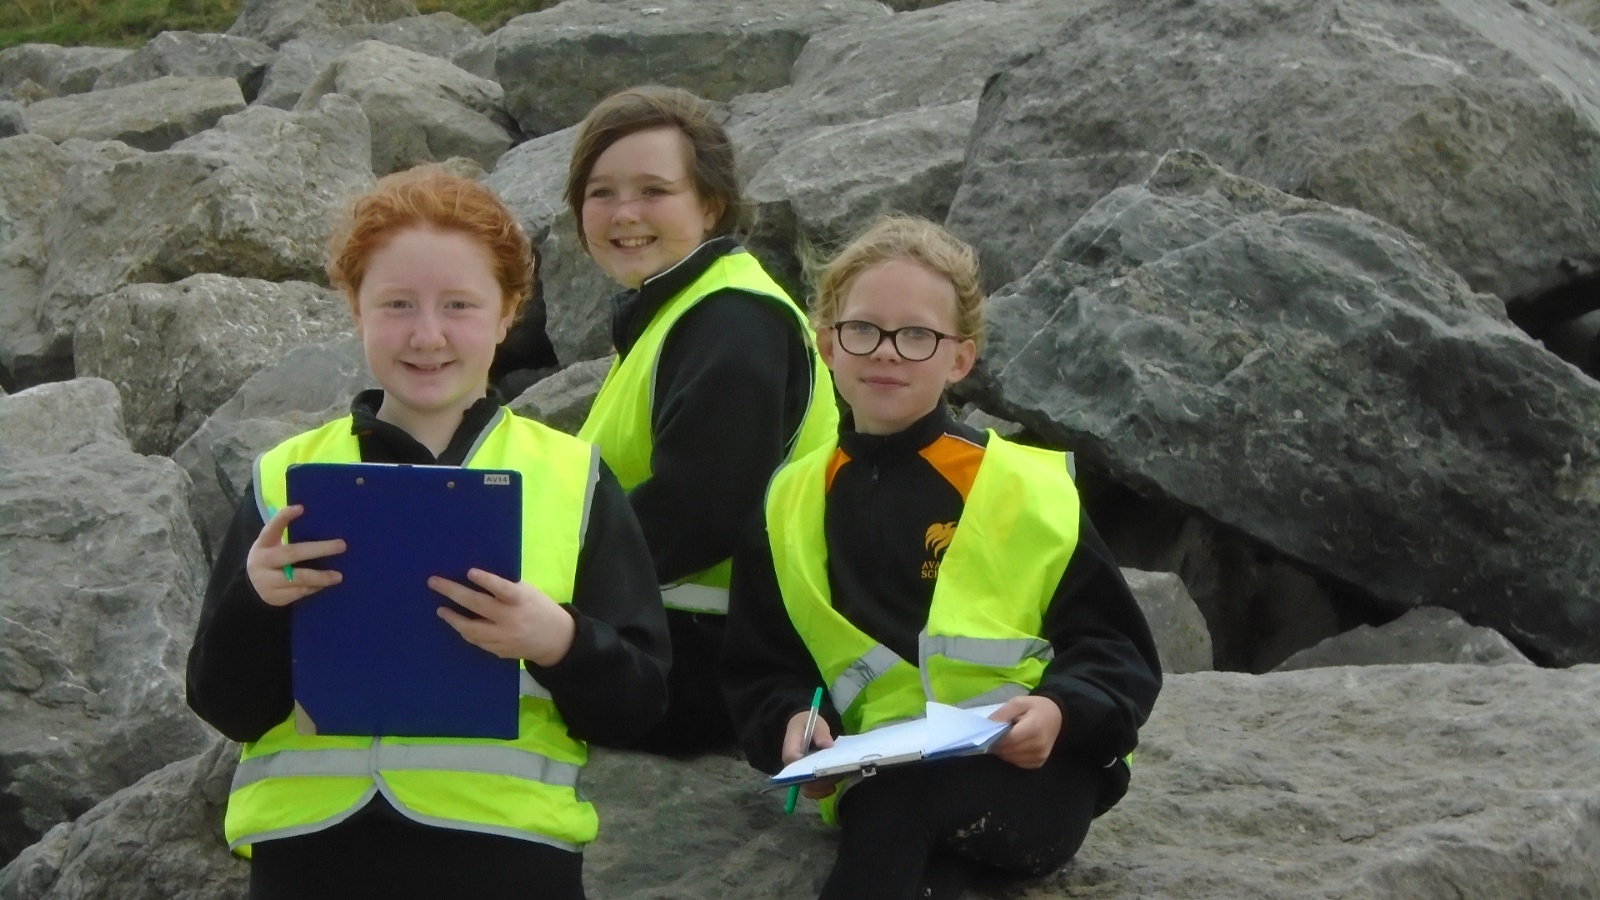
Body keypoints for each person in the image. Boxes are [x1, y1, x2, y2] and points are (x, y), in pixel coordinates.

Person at [186, 166, 671, 900]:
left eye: (459, 305)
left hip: (509, 864)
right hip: (311, 864)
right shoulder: (284, 478)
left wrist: (560, 641)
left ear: (508, 313)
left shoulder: (574, 478)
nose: (427, 334)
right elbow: (226, 705)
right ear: (355, 308)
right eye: (397, 304)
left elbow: (640, 705)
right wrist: (256, 604)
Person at [723, 216, 1162, 900]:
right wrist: (793, 724)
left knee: (900, 809)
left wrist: (1059, 710)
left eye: (917, 336)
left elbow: (1118, 651)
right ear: (827, 344)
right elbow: (764, 665)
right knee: (916, 841)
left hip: (1036, 773)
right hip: (877, 769)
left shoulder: (1021, 488)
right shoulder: (789, 502)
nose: (887, 352)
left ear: (960, 359)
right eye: (863, 329)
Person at [566, 85, 839, 755]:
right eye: (601, 193)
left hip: (707, 665)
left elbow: (700, 513)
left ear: (711, 205)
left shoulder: (734, 319)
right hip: (677, 645)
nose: (624, 213)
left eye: (654, 191)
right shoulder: (685, 310)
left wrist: (539, 575)